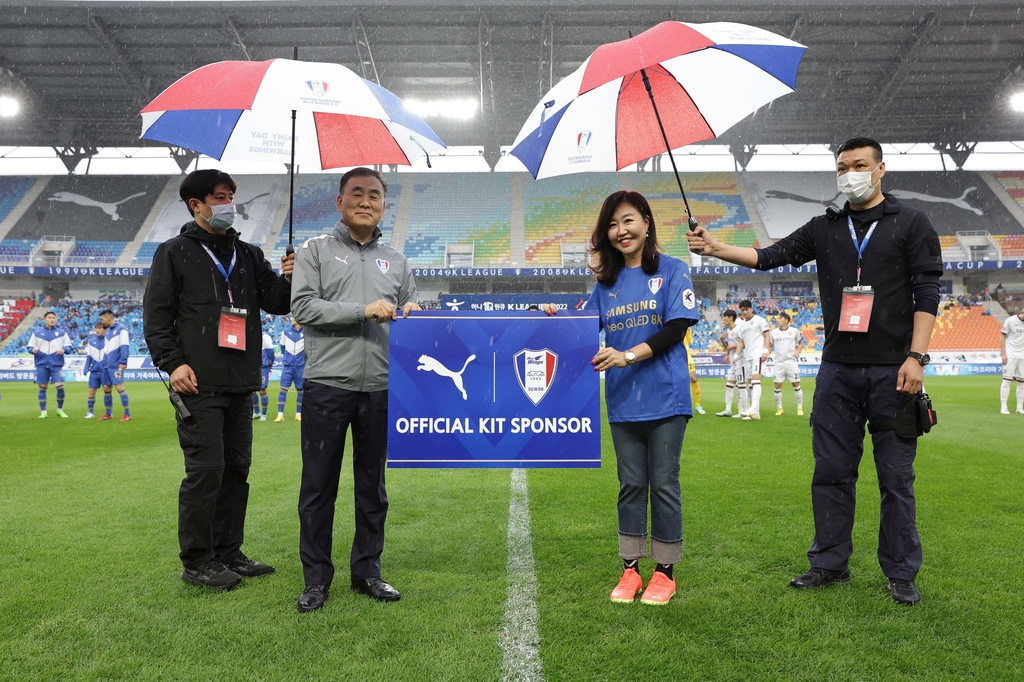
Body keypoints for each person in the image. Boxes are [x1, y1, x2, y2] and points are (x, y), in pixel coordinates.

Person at [687, 137, 942, 605]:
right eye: (842, 167)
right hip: (838, 373)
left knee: (896, 479)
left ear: (881, 169)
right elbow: (770, 256)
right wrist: (714, 247)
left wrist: (917, 357)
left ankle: (901, 572)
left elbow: (928, 291)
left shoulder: (912, 222)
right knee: (830, 472)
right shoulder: (827, 227)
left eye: (859, 165)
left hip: (894, 371)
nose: (850, 173)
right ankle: (829, 563)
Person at [143, 168, 294, 591]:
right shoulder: (173, 252)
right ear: (197, 205)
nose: (230, 204)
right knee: (206, 470)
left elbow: (277, 304)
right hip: (197, 383)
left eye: (231, 196)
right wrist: (173, 364)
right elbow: (156, 317)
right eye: (221, 197)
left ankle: (229, 552)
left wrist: (289, 276)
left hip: (241, 382)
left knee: (236, 470)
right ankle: (197, 560)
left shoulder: (248, 254)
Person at [547, 190, 700, 606]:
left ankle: (664, 573)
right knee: (631, 484)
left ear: (647, 223)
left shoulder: (672, 270)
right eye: (612, 225)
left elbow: (677, 328)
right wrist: (554, 320)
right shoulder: (606, 284)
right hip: (622, 401)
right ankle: (630, 569)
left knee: (664, 483)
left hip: (666, 398)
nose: (621, 231)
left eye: (628, 221)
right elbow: (584, 329)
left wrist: (628, 355)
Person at [290, 167, 420, 613]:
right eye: (357, 193)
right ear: (340, 201)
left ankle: (367, 572)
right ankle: (316, 579)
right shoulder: (314, 251)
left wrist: (413, 311)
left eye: (376, 195)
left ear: (385, 204)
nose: (366, 201)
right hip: (327, 385)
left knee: (372, 488)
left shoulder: (398, 260)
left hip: (382, 388)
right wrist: (363, 310)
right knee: (318, 487)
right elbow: (303, 307)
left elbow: (407, 314)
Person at [28, 311, 72, 419]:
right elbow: (29, 347)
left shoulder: (62, 333)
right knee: (42, 387)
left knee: (60, 387)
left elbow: (69, 347)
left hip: (56, 364)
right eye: (50, 318)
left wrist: (64, 349)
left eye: (54, 318)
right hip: (41, 364)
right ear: (45, 320)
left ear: (56, 319)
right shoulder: (37, 333)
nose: (52, 319)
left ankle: (60, 410)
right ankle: (43, 412)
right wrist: (34, 349)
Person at [733, 300, 770, 420]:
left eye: (746, 310)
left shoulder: (759, 320)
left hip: (758, 354)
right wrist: (736, 356)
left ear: (751, 308)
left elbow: (767, 335)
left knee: (755, 381)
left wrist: (765, 350)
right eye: (742, 310)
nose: (744, 312)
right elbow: (741, 341)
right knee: (751, 384)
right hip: (747, 357)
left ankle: (753, 409)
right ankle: (756, 413)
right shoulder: (742, 325)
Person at [770, 312, 806, 416]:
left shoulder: (794, 331)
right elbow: (770, 345)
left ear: (786, 320)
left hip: (791, 362)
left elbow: (800, 343)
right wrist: (767, 353)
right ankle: (779, 408)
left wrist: (798, 351)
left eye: (780, 318)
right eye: (777, 318)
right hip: (779, 363)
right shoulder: (773, 332)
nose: (778, 320)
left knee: (796, 384)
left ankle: (799, 408)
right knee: (777, 385)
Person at [98, 309, 131, 422]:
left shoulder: (122, 330)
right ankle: (108, 414)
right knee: (106, 387)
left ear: (108, 318)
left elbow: (124, 346)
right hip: (107, 364)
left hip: (116, 364)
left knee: (119, 387)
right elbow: (106, 348)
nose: (102, 322)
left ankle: (127, 414)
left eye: (102, 319)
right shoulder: (108, 331)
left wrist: (123, 361)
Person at [716, 309, 748, 418]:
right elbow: (727, 347)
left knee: (741, 386)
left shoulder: (739, 329)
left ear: (730, 318)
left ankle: (744, 410)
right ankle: (728, 410)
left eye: (725, 317)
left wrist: (733, 347)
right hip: (733, 362)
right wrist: (722, 341)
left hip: (741, 361)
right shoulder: (729, 331)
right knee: (729, 386)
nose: (723, 319)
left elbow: (744, 344)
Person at [275, 317, 304, 422]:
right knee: (283, 390)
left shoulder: (306, 333)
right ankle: (280, 415)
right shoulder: (286, 332)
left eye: (293, 317)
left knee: (301, 391)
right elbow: (282, 347)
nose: (291, 319)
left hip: (300, 367)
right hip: (288, 366)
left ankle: (298, 414)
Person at [1000, 309, 1024, 414]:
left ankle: (1019, 408)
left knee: (1022, 383)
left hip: (1023, 356)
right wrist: (1004, 354)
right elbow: (1002, 337)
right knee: (1007, 380)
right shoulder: (1010, 321)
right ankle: (1004, 407)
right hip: (1011, 355)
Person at [83, 321, 107, 419]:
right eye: (96, 328)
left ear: (105, 329)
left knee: (107, 390)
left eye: (100, 328)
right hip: (94, 371)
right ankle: (91, 412)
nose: (97, 330)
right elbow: (89, 357)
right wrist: (86, 368)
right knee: (92, 390)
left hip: (105, 370)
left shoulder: (108, 341)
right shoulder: (91, 342)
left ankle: (108, 412)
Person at [252, 329, 275, 421]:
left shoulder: (265, 337)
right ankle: (256, 412)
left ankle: (264, 414)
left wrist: (269, 364)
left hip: (262, 366)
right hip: (251, 367)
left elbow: (270, 353)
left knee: (262, 390)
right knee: (252, 390)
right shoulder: (248, 334)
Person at [684, 327, 705, 415]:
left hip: (686, 353)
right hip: (674, 354)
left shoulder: (684, 325)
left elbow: (688, 341)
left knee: (693, 378)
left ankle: (697, 404)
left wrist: (688, 330)